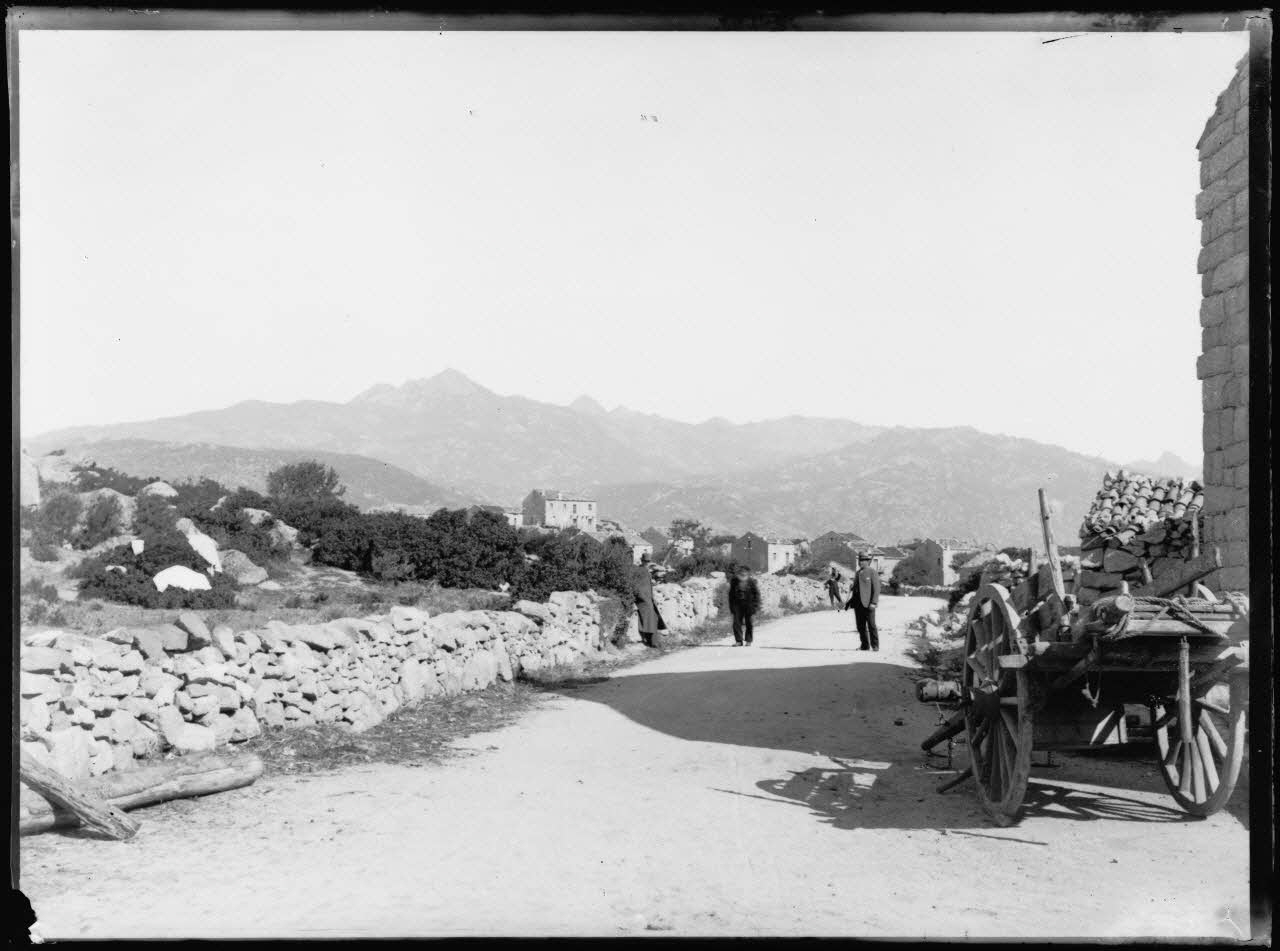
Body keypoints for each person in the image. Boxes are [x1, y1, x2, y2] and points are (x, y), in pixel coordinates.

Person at [845, 553, 881, 651]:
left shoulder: (872, 572)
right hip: (858, 603)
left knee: (871, 625)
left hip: (869, 603)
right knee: (860, 626)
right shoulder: (857, 573)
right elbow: (857, 586)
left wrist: (873, 602)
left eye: (863, 560)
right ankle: (865, 645)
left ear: (867, 561)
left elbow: (876, 588)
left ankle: (875, 645)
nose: (861, 562)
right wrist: (853, 587)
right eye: (860, 560)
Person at [633, 552, 666, 648]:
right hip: (643, 599)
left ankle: (653, 642)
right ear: (642, 561)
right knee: (651, 619)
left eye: (648, 561)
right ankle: (653, 643)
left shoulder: (646, 571)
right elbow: (637, 586)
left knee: (653, 619)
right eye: (646, 561)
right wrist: (642, 597)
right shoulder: (640, 571)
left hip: (648, 598)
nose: (647, 563)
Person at [728, 564, 762, 646]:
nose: (743, 575)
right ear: (739, 573)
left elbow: (756, 594)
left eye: (744, 573)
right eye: (741, 573)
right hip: (737, 604)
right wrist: (731, 606)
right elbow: (731, 594)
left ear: (747, 574)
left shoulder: (751, 582)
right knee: (736, 623)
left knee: (749, 623)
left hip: (748, 604)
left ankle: (749, 640)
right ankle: (739, 641)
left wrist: (755, 606)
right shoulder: (734, 581)